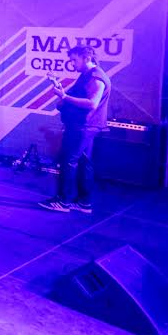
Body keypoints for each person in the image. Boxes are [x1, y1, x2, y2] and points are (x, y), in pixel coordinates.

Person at [39, 45, 111, 214]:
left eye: (74, 60)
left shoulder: (96, 77)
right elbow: (80, 99)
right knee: (84, 163)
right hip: (84, 126)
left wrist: (64, 96)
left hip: (84, 127)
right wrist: (63, 96)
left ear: (87, 58)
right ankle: (84, 202)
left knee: (68, 161)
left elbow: (92, 103)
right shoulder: (87, 75)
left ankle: (63, 201)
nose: (72, 64)